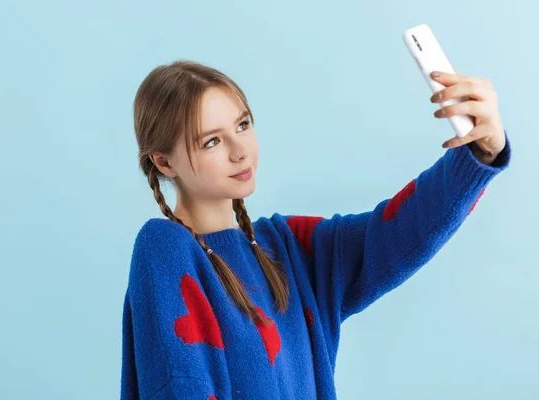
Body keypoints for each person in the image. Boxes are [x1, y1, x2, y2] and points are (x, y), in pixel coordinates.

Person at [120, 60, 511, 399]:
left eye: (242, 124)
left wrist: (480, 152)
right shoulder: (166, 248)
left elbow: (397, 232)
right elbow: (178, 385)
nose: (240, 150)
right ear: (164, 163)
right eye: (211, 141)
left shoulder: (287, 247)